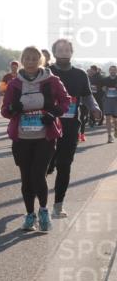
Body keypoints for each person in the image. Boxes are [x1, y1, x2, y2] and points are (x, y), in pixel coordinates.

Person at [1, 46, 69, 233]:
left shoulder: (52, 80)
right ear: (22, 60)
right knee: (26, 178)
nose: (30, 61)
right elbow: (5, 110)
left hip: (44, 136)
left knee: (38, 175)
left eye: (34, 58)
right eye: (27, 58)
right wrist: (13, 109)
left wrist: (53, 113)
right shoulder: (15, 84)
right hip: (22, 137)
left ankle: (44, 212)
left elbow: (65, 101)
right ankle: (30, 215)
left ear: (40, 61)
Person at [47, 39, 102, 218]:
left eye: (67, 49)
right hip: (46, 124)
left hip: (70, 126)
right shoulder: (46, 73)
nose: (63, 52)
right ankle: (37, 203)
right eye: (60, 49)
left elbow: (87, 96)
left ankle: (58, 205)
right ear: (54, 52)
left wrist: (94, 108)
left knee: (65, 165)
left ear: (72, 52)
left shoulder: (79, 74)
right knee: (44, 166)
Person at [101, 65, 117, 144]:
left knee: (115, 120)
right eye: (111, 70)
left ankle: (116, 129)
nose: (112, 71)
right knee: (107, 118)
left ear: (116, 71)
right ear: (109, 71)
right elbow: (102, 88)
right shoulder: (105, 79)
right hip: (107, 100)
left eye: (114, 70)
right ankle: (109, 136)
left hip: (116, 101)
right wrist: (104, 89)